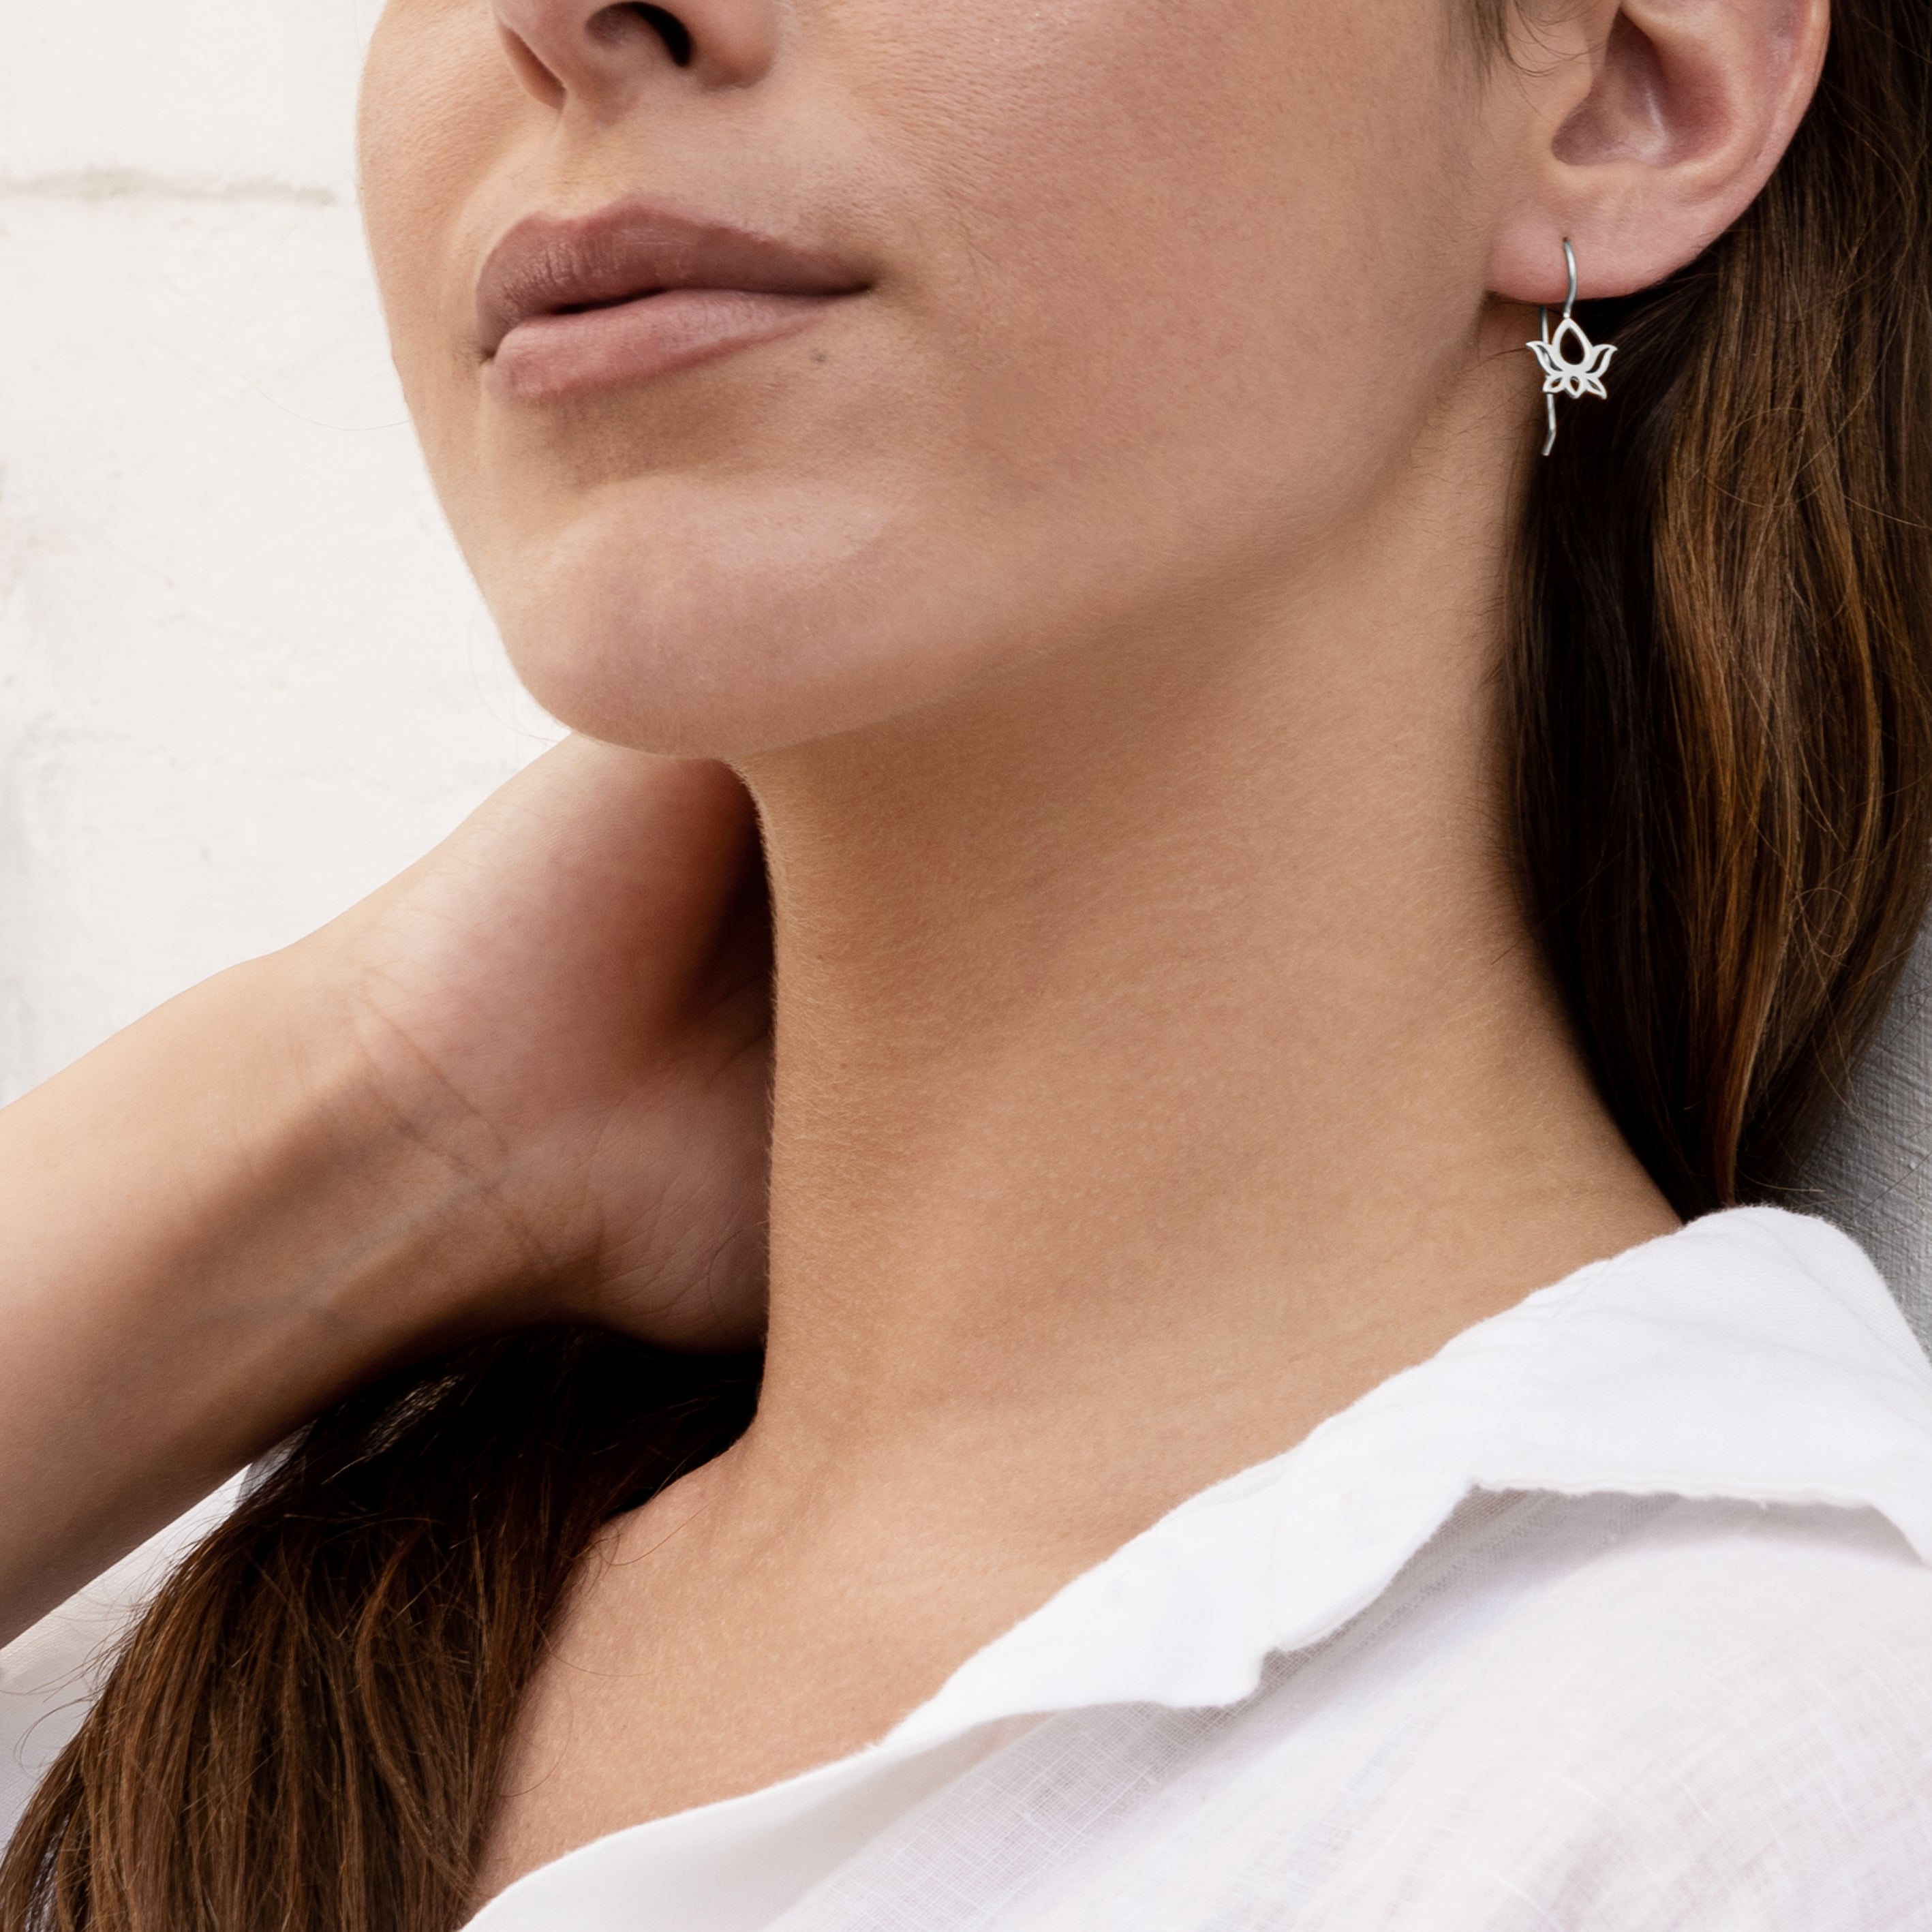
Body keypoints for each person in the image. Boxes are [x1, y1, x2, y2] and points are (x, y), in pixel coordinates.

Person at [3, 0, 1932, 1925]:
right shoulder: (160, 1672)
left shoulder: (1752, 1782)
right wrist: (367, 1116)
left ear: (1619, 89)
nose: (564, 19)